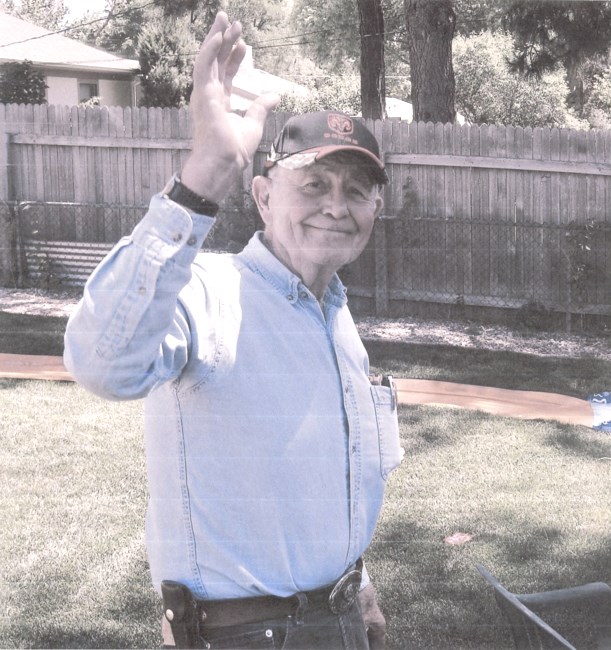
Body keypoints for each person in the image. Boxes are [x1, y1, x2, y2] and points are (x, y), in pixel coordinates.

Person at [64, 11, 402, 650]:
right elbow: (101, 364)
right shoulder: (204, 292)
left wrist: (359, 584)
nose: (336, 205)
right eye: (315, 184)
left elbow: (327, 477)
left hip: (339, 623)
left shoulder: (336, 318)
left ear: (375, 209)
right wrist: (205, 174)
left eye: (357, 190)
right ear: (264, 196)